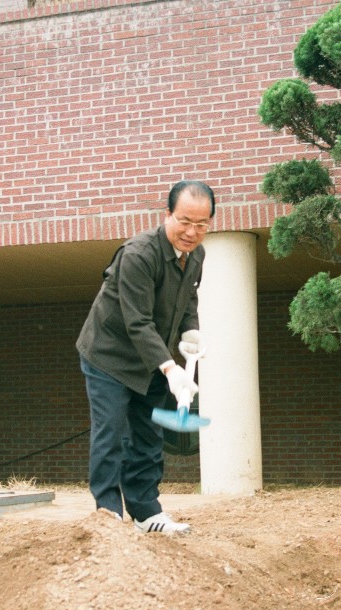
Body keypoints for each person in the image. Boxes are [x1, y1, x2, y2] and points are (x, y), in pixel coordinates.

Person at [76, 180, 213, 534]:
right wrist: (170, 368)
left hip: (152, 357)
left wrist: (190, 332)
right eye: (184, 221)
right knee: (113, 431)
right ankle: (108, 515)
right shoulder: (138, 254)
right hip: (110, 356)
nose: (191, 232)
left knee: (148, 433)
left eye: (201, 224)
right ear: (167, 214)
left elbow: (187, 301)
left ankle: (146, 511)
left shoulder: (196, 255)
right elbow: (137, 321)